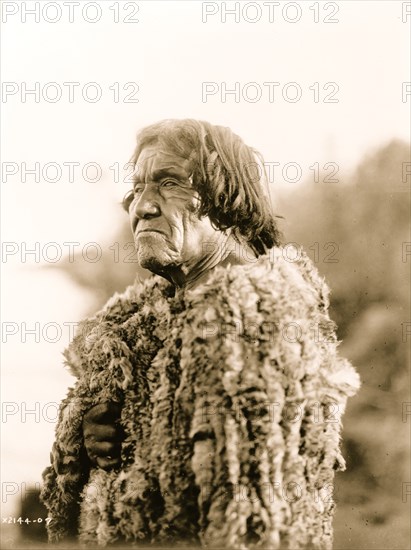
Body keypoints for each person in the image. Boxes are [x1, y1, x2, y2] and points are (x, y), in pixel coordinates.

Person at [41, 119, 360, 549]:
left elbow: (253, 520)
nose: (142, 207)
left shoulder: (257, 319)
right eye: (137, 189)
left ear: (226, 202)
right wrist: (86, 439)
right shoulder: (137, 323)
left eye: (169, 183)